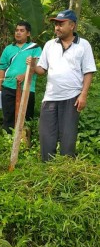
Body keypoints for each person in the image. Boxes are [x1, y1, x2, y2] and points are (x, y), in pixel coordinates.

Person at [30, 10, 96, 161]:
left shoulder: (83, 45)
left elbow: (88, 72)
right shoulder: (49, 45)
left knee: (68, 137)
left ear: (72, 25)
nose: (57, 28)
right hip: (50, 97)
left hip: (72, 97)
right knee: (46, 135)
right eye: (56, 24)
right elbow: (42, 70)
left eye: (61, 24)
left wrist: (83, 95)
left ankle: (65, 168)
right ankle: (47, 168)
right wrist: (33, 66)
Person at [0, 21, 42, 133]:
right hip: (8, 87)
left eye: (22, 31)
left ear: (28, 33)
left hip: (27, 88)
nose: (18, 33)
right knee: (8, 117)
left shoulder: (35, 48)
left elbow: (39, 67)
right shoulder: (8, 49)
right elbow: (2, 68)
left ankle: (24, 144)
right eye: (16, 30)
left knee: (26, 117)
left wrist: (24, 75)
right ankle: (7, 141)